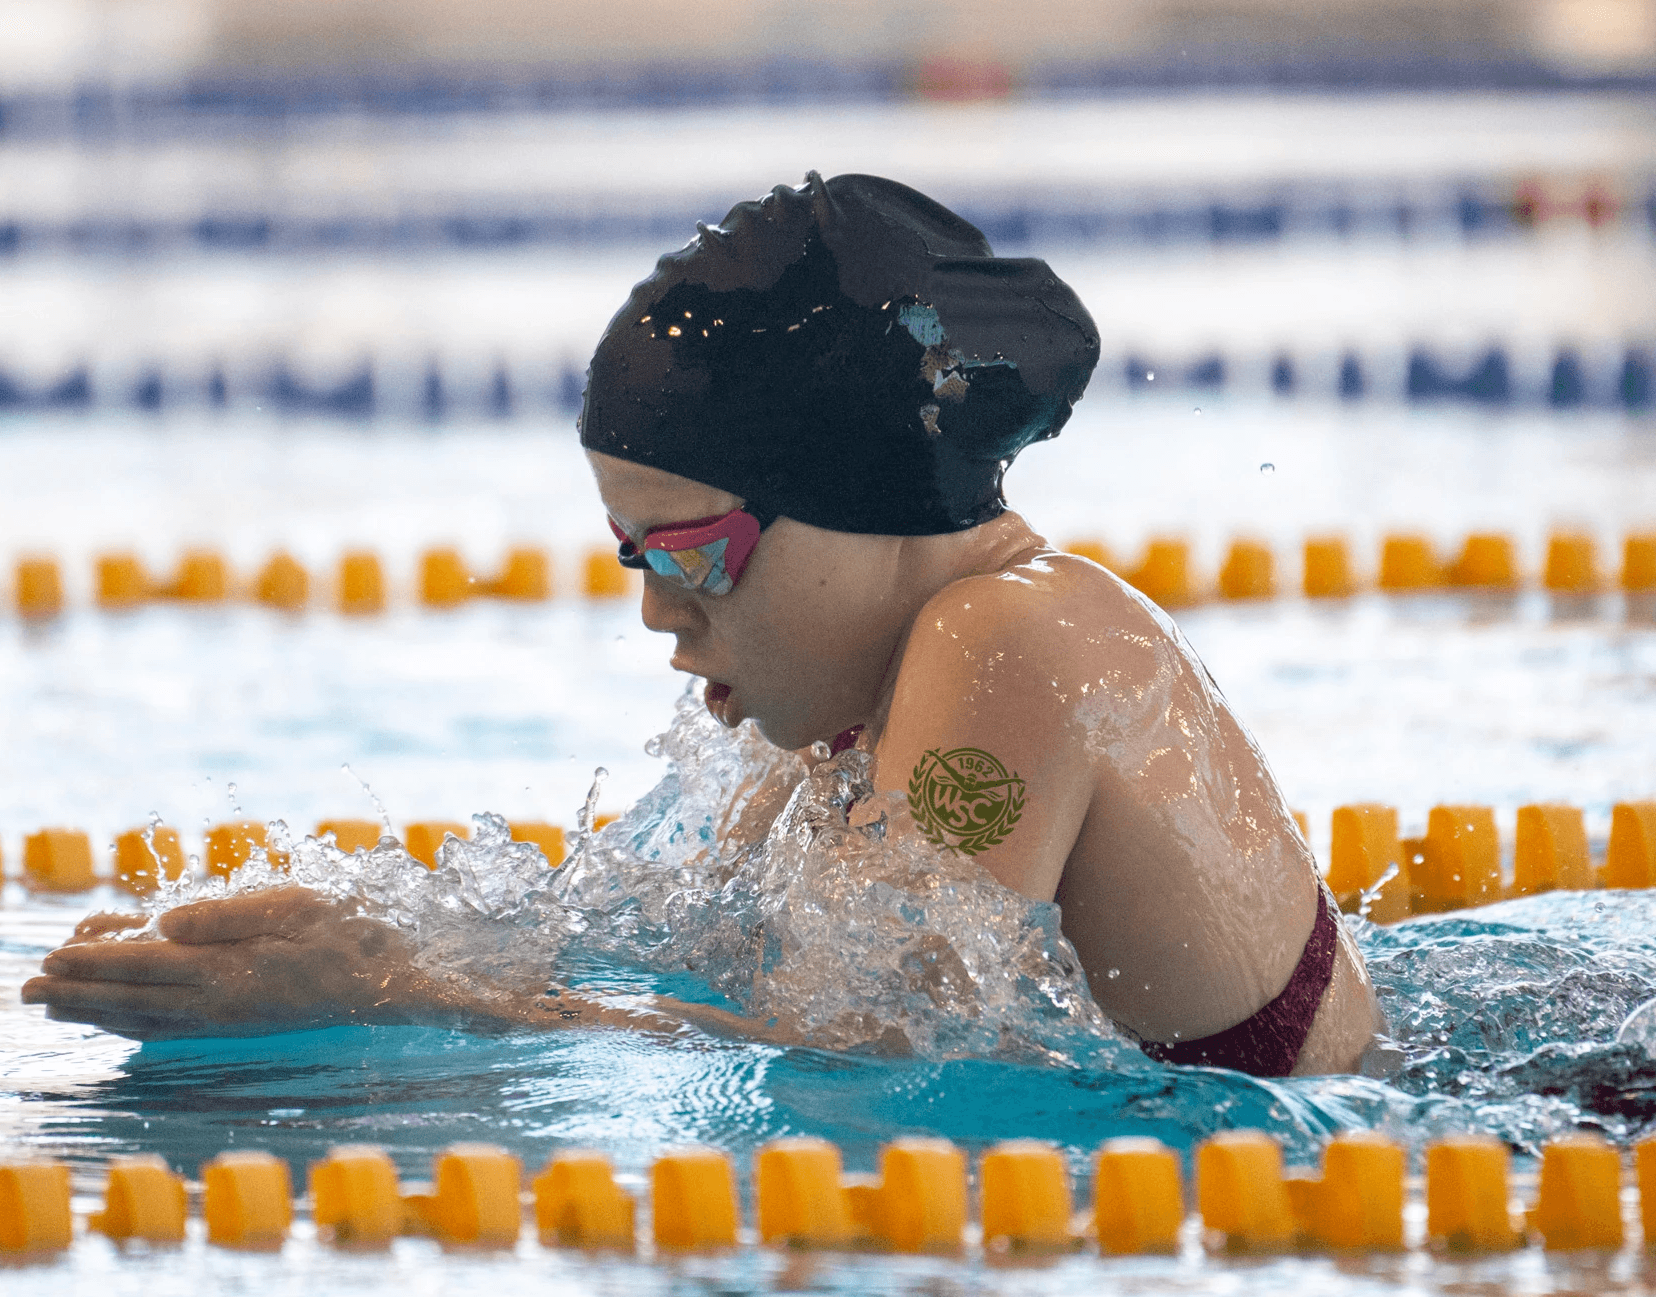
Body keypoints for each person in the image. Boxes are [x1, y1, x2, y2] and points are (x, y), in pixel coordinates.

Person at [24, 173, 1380, 1077]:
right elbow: (669, 964)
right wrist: (351, 946)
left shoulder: (1011, 636)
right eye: (633, 557)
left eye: (693, 557)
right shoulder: (851, 713)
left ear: (855, 504)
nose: (658, 615)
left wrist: (395, 995)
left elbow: (871, 1053)